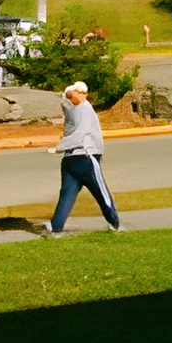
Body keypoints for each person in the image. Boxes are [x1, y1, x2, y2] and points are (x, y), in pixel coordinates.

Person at [44, 80, 121, 235]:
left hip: (69, 160)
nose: (85, 96)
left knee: (67, 195)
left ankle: (56, 228)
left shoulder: (67, 108)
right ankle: (115, 223)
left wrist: (61, 147)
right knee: (101, 192)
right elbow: (82, 133)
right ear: (73, 93)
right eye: (81, 92)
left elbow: (66, 100)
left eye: (86, 93)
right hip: (86, 156)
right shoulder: (85, 108)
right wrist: (61, 147)